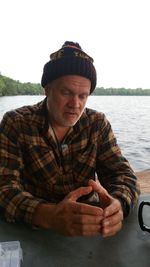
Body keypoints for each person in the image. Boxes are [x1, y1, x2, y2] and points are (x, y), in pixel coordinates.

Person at [0, 41, 140, 237]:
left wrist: (119, 205)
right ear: (47, 89)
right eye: (66, 92)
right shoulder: (16, 123)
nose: (75, 104)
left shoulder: (97, 124)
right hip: (33, 229)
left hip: (89, 227)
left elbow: (124, 176)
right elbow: (4, 187)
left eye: (83, 96)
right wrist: (49, 215)